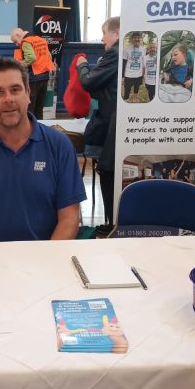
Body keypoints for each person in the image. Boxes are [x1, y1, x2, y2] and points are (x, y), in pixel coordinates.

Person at [0, 56, 85, 242]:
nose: (8, 99)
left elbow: (69, 218)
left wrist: (47, 263)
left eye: (15, 89)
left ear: (28, 93)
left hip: (44, 261)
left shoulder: (59, 146)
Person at [77, 16, 120, 232]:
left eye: (105, 32)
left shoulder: (114, 53)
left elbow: (88, 83)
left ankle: (112, 227)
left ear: (117, 33)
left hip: (113, 130)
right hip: (113, 126)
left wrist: (82, 66)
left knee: (109, 175)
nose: (102, 38)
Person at [11, 27, 55, 119]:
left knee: (30, 106)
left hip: (34, 78)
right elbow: (49, 56)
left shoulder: (26, 42)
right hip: (45, 76)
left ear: (19, 35)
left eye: (15, 41)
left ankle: (30, 128)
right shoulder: (40, 40)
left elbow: (31, 58)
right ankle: (39, 128)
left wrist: (19, 64)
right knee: (40, 106)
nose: (16, 44)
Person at [122, 32, 146, 101]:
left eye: (138, 38)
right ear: (132, 39)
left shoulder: (143, 50)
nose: (137, 39)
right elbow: (124, 63)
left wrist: (143, 75)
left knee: (136, 88)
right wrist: (122, 77)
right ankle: (126, 99)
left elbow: (143, 63)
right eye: (135, 37)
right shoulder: (127, 49)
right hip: (128, 74)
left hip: (138, 74)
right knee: (127, 90)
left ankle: (135, 98)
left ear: (140, 39)